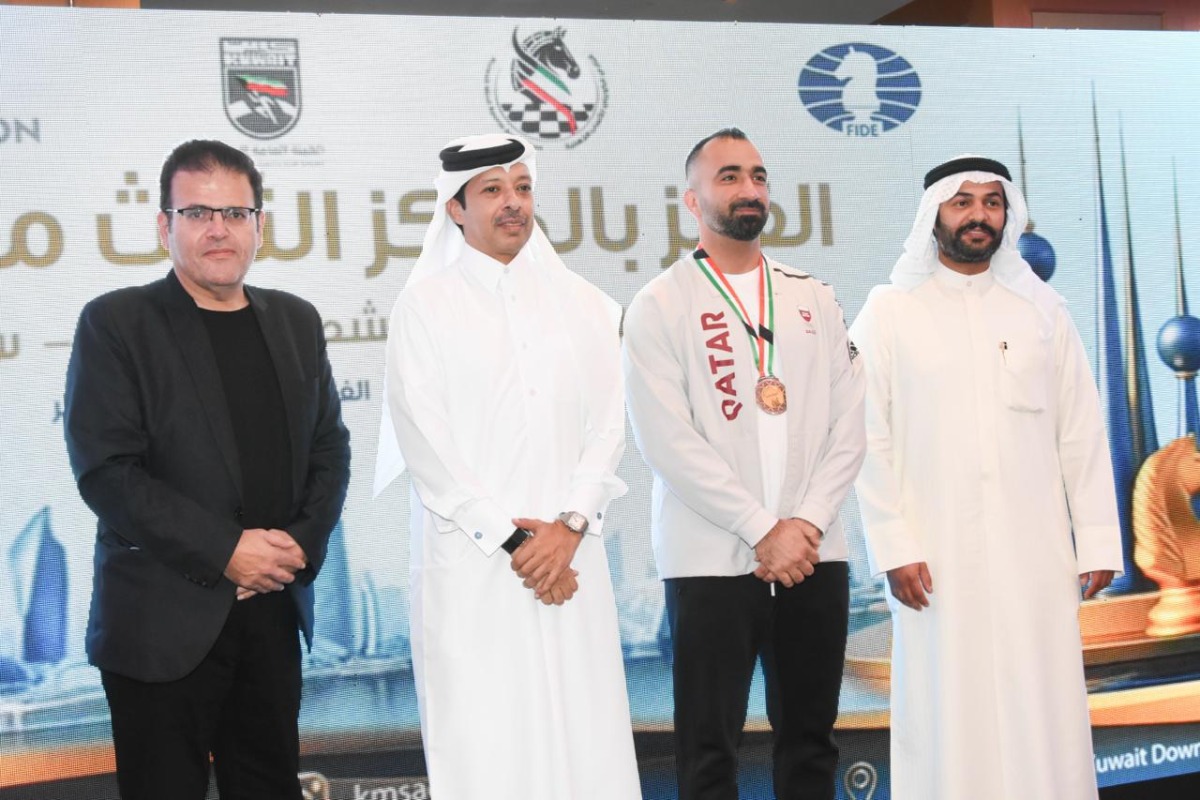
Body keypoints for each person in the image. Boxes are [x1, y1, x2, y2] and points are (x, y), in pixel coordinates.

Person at [63, 139, 351, 800]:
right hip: (161, 624)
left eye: (236, 213)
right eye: (197, 213)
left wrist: (294, 548)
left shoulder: (296, 322)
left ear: (260, 225)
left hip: (273, 613)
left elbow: (329, 450)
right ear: (165, 226)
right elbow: (107, 472)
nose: (218, 228)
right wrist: (228, 553)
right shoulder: (116, 323)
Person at [374, 133, 640, 799]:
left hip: (570, 562)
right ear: (455, 209)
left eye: (522, 188)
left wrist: (567, 527)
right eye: (492, 190)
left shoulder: (584, 304)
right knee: (488, 749)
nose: (512, 203)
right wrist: (517, 540)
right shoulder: (425, 308)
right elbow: (426, 447)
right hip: (476, 569)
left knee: (589, 743)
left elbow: (611, 425)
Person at [849, 155, 1124, 800]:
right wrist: (893, 544)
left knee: (1044, 702)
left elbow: (1080, 431)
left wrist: (1097, 540)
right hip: (934, 559)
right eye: (962, 202)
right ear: (933, 216)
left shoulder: (1042, 311)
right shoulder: (890, 312)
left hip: (1036, 555)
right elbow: (863, 437)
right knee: (950, 707)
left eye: (992, 203)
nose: (979, 215)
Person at [622, 128, 865, 800]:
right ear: (693, 201)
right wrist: (764, 528)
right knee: (708, 750)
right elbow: (665, 441)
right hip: (710, 560)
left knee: (812, 741)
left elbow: (850, 425)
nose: (749, 189)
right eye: (729, 176)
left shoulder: (813, 297)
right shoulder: (660, 304)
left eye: (758, 175)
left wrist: (805, 524)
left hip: (816, 556)